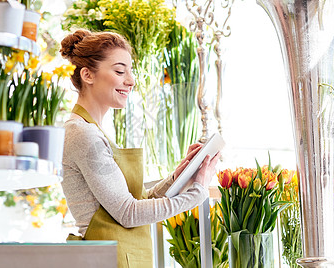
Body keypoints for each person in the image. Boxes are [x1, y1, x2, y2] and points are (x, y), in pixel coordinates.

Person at [60, 29, 219, 268]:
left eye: (130, 71)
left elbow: (135, 201)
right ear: (87, 75)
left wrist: (178, 176)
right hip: (106, 260)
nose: (131, 80)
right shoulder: (83, 134)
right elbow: (129, 213)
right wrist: (197, 193)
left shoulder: (92, 132)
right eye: (119, 71)